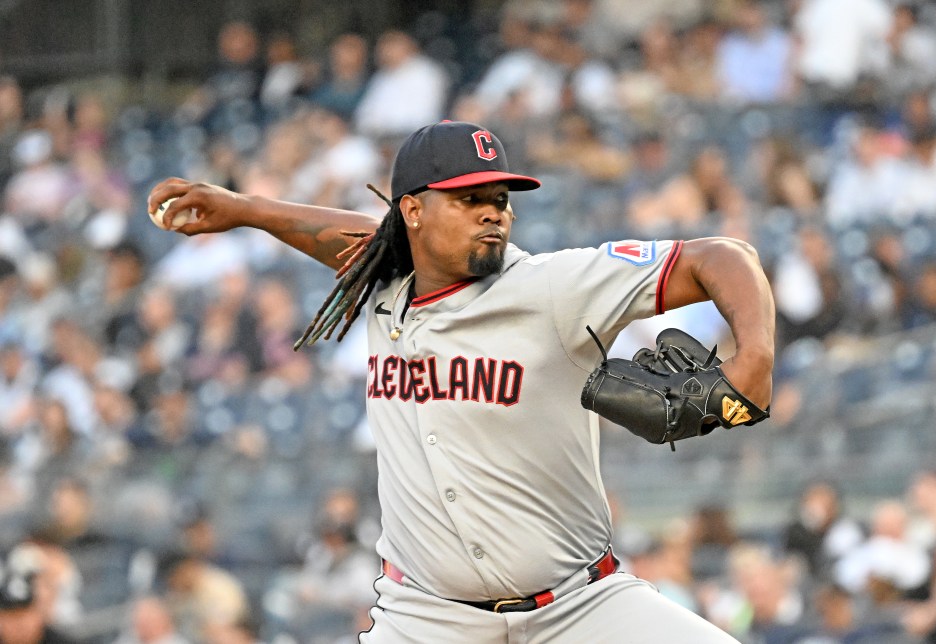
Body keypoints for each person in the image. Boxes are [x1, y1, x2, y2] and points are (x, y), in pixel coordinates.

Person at [148, 120, 774, 642]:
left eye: (499, 198)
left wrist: (754, 362)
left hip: (579, 608)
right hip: (426, 620)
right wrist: (247, 210)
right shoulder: (385, 279)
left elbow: (723, 257)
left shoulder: (552, 287)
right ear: (412, 211)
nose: (492, 212)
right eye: (468, 199)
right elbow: (354, 238)